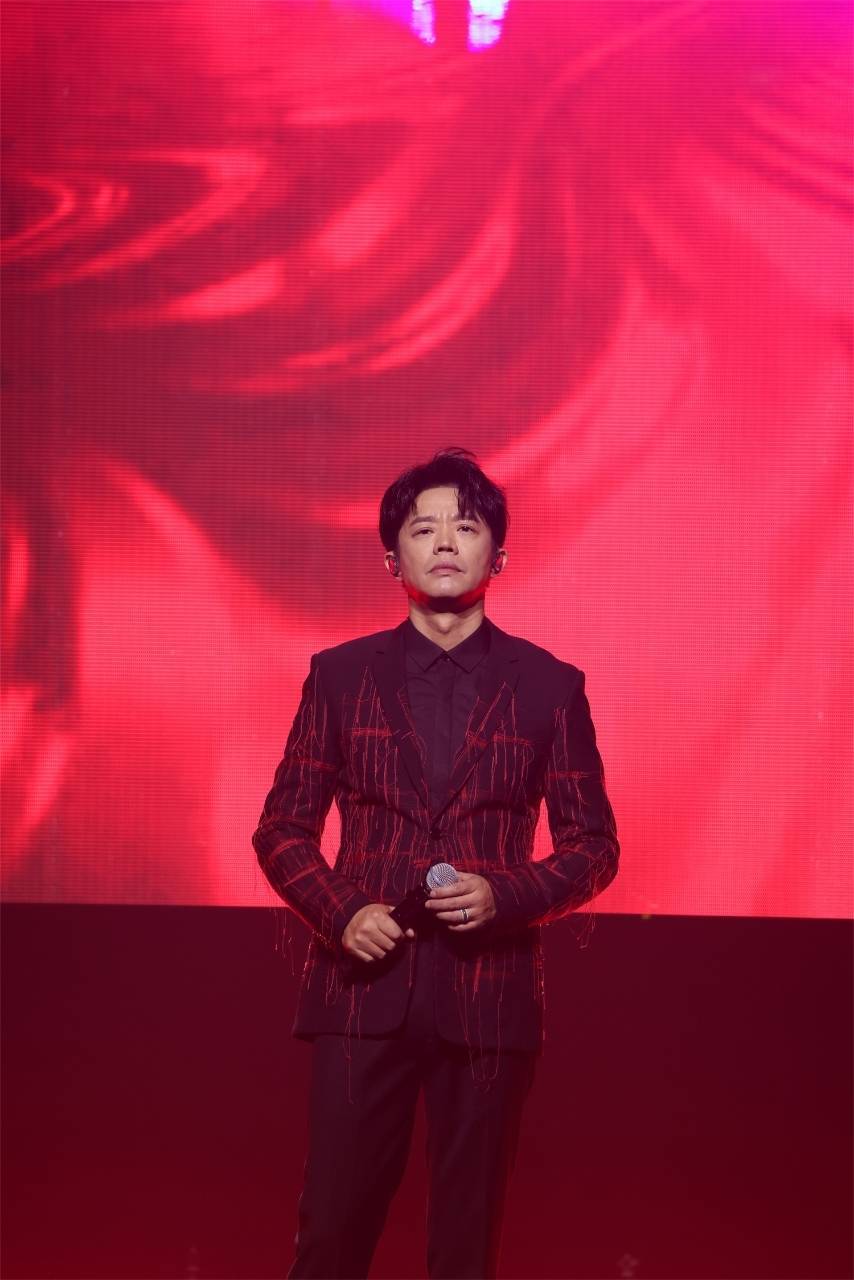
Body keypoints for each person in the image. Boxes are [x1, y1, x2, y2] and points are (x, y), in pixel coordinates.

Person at [252, 448, 619, 1279]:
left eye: (467, 526)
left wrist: (506, 895)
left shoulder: (550, 687)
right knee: (331, 1233)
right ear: (393, 559)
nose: (446, 541)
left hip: (488, 1000)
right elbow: (282, 829)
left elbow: (595, 847)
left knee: (466, 1247)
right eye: (423, 529)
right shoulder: (340, 677)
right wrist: (344, 911)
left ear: (500, 555)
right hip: (361, 994)